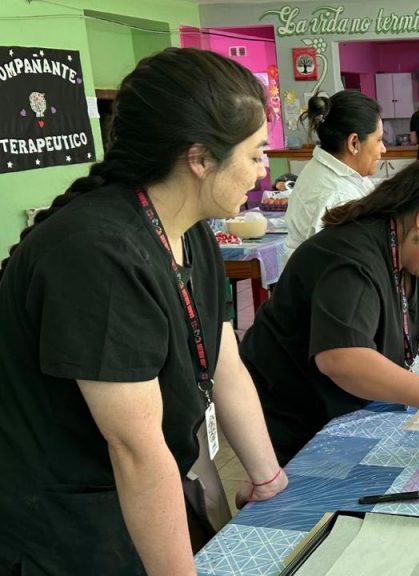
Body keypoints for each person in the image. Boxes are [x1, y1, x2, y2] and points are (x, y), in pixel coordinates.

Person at [0, 48, 287, 575]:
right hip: (61, 524)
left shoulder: (190, 230)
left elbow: (224, 360)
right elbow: (134, 447)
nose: (263, 169)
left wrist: (267, 479)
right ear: (199, 159)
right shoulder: (95, 253)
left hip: (128, 494)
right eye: (254, 153)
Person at [241, 162, 419, 464]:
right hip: (292, 411)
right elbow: (342, 358)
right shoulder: (351, 259)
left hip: (340, 407)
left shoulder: (414, 256)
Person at [285, 90, 384, 258]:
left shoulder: (331, 173)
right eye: (379, 140)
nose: (383, 149)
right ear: (354, 143)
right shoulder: (337, 196)